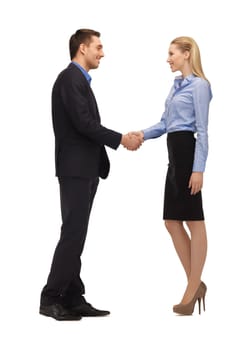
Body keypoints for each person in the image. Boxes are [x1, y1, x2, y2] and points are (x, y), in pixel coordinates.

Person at [40, 29, 142, 321]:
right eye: (98, 47)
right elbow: (84, 124)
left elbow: (84, 125)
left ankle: (72, 295)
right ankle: (50, 297)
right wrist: (121, 138)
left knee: (77, 234)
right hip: (75, 169)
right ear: (82, 48)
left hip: (84, 168)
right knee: (72, 233)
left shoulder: (79, 81)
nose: (102, 52)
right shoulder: (70, 78)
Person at [131, 36, 212, 315]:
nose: (168, 59)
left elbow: (202, 129)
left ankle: (191, 288)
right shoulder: (176, 86)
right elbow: (166, 124)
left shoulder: (200, 86)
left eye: (171, 53)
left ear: (187, 54)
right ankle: (196, 282)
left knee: (194, 220)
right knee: (171, 221)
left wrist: (198, 168)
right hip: (174, 157)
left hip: (189, 155)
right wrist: (141, 133)